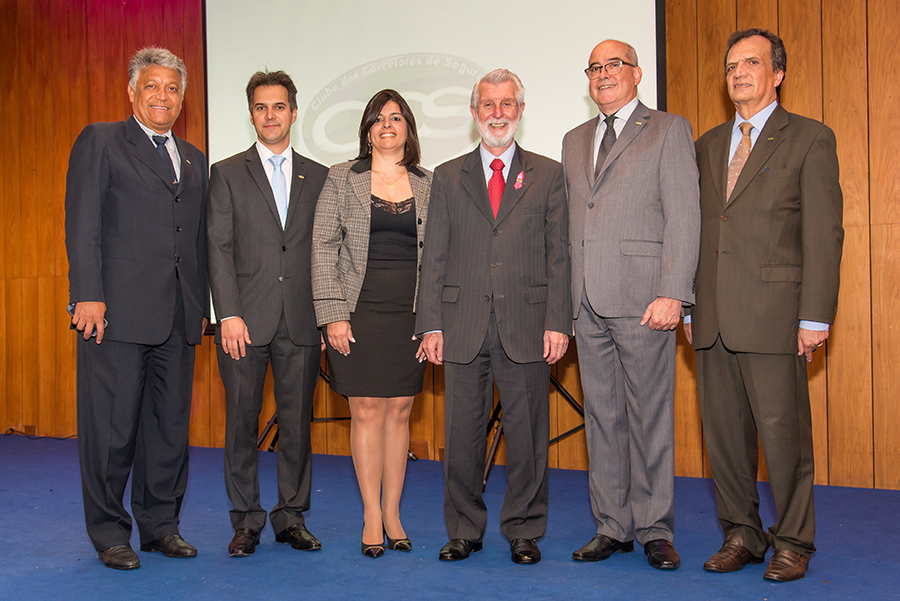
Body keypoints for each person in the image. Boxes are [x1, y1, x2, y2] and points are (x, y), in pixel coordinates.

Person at [685, 29, 843, 582]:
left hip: (777, 317)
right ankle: (742, 534)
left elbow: (824, 234)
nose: (738, 74)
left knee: (784, 437)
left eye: (750, 63)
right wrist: (686, 303)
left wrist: (816, 315)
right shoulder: (704, 145)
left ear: (776, 73)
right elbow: (692, 232)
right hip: (711, 319)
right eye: (730, 66)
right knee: (724, 440)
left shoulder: (808, 138)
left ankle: (795, 540)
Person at [416, 69, 571, 565]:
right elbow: (433, 254)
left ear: (520, 112)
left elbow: (559, 257)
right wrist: (430, 324)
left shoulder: (548, 174)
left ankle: (524, 530)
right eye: (489, 105)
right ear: (474, 112)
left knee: (526, 437)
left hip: (527, 326)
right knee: (461, 435)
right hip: (461, 325)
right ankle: (464, 529)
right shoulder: (447, 175)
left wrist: (557, 321)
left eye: (507, 104)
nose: (498, 113)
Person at [65, 47, 208, 570]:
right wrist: (88, 295)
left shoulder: (193, 157)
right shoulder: (101, 141)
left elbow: (194, 240)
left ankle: (160, 526)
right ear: (132, 91)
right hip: (115, 313)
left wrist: (202, 307)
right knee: (112, 430)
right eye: (151, 86)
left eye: (172, 87)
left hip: (177, 316)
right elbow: (82, 225)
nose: (162, 96)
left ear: (182, 95)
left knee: (168, 430)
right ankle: (109, 533)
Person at [561, 39, 700, 570]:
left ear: (637, 74)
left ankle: (655, 529)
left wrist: (674, 293)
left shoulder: (667, 129)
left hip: (646, 300)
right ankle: (612, 525)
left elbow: (684, 214)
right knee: (600, 417)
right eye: (594, 67)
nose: (602, 74)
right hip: (586, 301)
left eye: (613, 65)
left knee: (649, 417)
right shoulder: (574, 139)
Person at [207, 70, 328, 558]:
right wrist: (228, 314)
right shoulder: (227, 173)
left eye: (279, 107)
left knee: (298, 424)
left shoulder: (320, 176)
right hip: (244, 322)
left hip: (301, 319)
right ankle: (246, 520)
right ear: (251, 113)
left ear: (294, 113)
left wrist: (327, 315)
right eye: (261, 107)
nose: (270, 115)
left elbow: (326, 250)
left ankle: (291, 516)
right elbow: (217, 247)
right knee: (241, 422)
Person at [311, 90, 432, 558]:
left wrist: (434, 322)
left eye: (396, 117)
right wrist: (332, 314)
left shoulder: (429, 182)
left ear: (408, 128)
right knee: (365, 409)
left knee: (400, 409)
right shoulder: (342, 178)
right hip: (358, 312)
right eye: (378, 118)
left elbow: (439, 255)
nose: (387, 125)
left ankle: (394, 511)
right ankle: (370, 514)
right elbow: (322, 247)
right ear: (366, 129)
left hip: (411, 314)